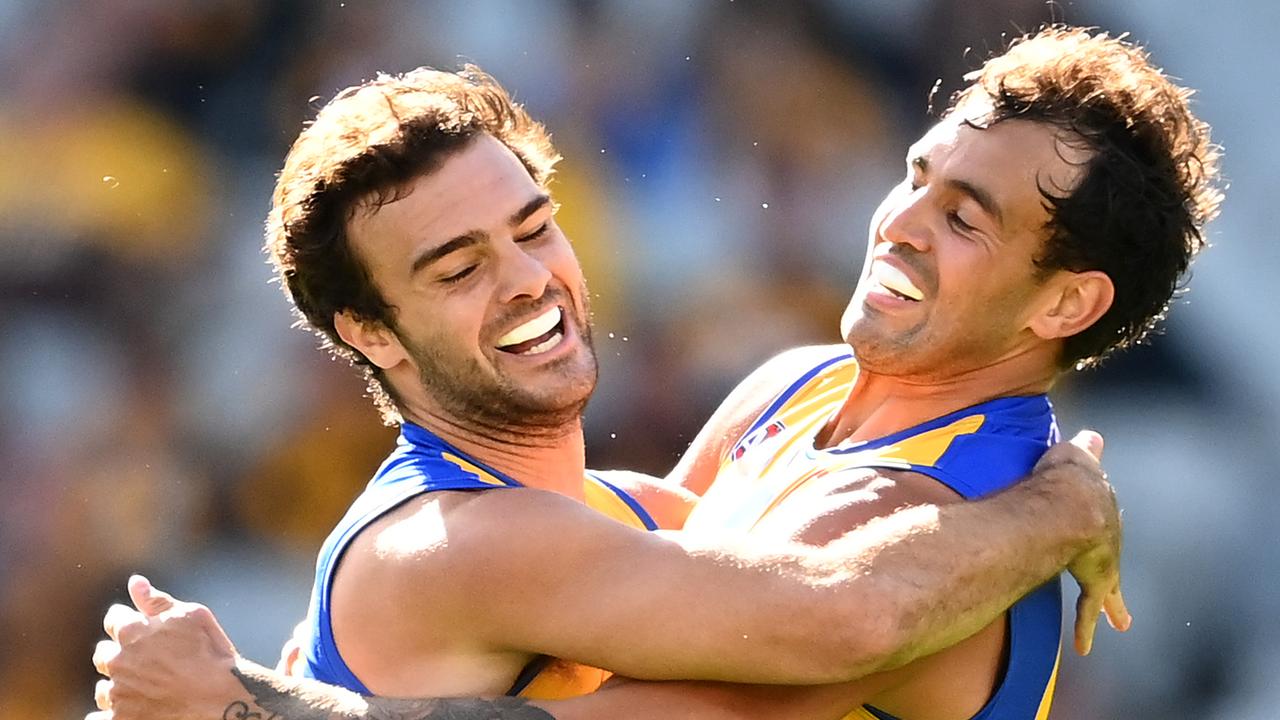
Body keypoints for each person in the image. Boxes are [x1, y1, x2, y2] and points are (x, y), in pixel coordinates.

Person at [89, 23, 1223, 720]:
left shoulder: (915, 519)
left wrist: (254, 704)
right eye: (918, 174)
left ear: (1068, 303)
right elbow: (644, 582)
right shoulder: (792, 389)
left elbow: (843, 615)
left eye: (964, 216)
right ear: (369, 332)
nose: (899, 222)